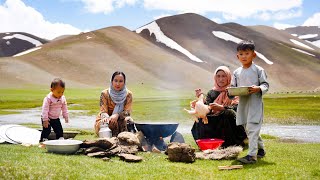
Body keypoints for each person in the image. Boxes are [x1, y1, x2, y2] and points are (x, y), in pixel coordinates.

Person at [191, 66, 247, 148]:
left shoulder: (234, 91)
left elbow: (238, 108)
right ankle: (206, 142)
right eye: (218, 76)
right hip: (216, 121)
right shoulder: (212, 93)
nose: (221, 79)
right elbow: (208, 108)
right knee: (201, 117)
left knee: (228, 113)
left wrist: (222, 108)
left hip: (231, 121)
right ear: (215, 78)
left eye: (224, 76)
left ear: (228, 77)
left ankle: (232, 142)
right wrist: (200, 100)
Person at [232, 40, 269, 164]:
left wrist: (258, 88)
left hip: (255, 104)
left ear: (254, 55)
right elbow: (233, 87)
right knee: (248, 129)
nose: (244, 56)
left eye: (247, 53)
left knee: (253, 127)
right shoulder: (236, 72)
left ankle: (252, 156)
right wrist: (230, 93)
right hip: (242, 104)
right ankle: (261, 150)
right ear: (237, 56)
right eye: (241, 54)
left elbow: (265, 85)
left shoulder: (259, 70)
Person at [95, 71, 133, 137]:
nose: (117, 84)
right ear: (112, 81)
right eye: (115, 80)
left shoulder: (128, 94)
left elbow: (127, 112)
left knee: (129, 120)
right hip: (106, 119)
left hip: (120, 118)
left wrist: (117, 115)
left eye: (121, 81)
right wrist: (106, 118)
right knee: (108, 123)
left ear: (124, 83)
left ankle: (127, 139)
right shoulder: (105, 93)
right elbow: (103, 110)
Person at [40, 78, 69, 142]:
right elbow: (45, 109)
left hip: (56, 118)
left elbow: (64, 107)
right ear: (52, 90)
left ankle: (60, 138)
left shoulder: (62, 98)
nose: (61, 94)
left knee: (59, 129)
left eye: (62, 92)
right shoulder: (48, 98)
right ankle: (43, 139)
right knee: (47, 129)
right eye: (58, 92)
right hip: (47, 118)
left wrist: (66, 116)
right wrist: (45, 119)